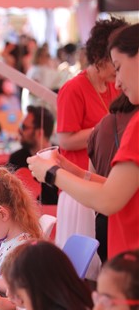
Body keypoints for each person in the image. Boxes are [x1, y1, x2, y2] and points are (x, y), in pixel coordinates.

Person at [27, 23, 139, 258]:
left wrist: (52, 173)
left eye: (119, 67)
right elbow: (120, 187)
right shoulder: (75, 89)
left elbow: (109, 199)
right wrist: (72, 171)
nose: (118, 82)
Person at [52, 17, 126, 252]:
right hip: (79, 188)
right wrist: (103, 130)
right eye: (115, 62)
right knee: (83, 259)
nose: (118, 71)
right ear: (100, 57)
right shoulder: (73, 89)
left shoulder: (116, 87)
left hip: (105, 184)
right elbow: (65, 140)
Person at [87, 93, 138, 263]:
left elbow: (92, 175)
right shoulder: (133, 125)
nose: (117, 84)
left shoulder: (102, 126)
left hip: (106, 221)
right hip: (125, 224)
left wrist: (55, 172)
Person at [8, 105, 59, 205]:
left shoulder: (60, 158)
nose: (19, 131)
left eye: (24, 127)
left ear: (39, 133)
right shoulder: (16, 159)